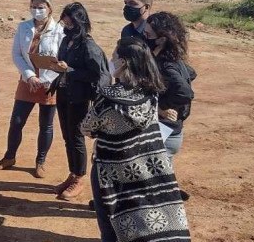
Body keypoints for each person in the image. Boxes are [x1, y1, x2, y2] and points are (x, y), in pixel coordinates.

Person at [80, 36, 190, 241]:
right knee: (144, 218)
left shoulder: (108, 97)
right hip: (146, 167)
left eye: (114, 57)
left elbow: (87, 127)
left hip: (112, 171)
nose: (111, 60)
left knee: (111, 226)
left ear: (123, 62)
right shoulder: (151, 92)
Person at [0, 0, 64, 178]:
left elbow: (62, 60)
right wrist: (30, 76)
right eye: (33, 6)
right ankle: (9, 157)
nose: (36, 10)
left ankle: (40, 161)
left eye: (41, 7)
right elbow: (17, 54)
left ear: (49, 8)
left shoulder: (59, 31)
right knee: (16, 121)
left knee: (46, 125)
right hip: (27, 81)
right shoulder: (23, 27)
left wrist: (47, 80)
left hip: (50, 83)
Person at [48, 2, 108, 201]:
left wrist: (69, 70)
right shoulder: (66, 41)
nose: (65, 24)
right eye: (64, 20)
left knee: (76, 137)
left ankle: (79, 179)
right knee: (67, 136)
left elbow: (96, 74)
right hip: (64, 93)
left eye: (69, 21)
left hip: (79, 97)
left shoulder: (89, 46)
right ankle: (73, 173)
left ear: (79, 22)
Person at [146, 12, 196, 202]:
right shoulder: (172, 60)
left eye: (150, 35)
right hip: (168, 130)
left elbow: (185, 93)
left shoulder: (167, 66)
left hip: (166, 131)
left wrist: (161, 106)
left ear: (162, 39)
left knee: (154, 180)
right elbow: (192, 74)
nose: (146, 38)